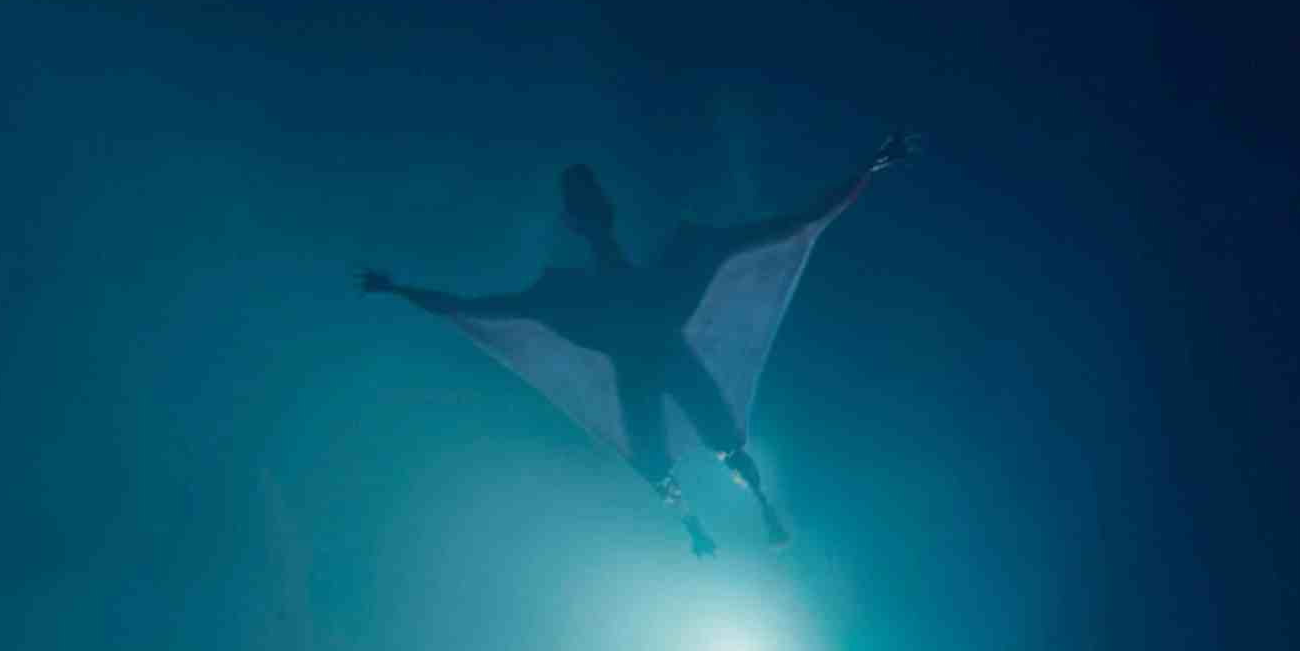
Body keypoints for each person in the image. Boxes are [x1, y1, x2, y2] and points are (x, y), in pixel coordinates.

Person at [360, 130, 920, 555]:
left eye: (591, 203)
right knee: (671, 457)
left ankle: (742, 513)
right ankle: (712, 522)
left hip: (659, 360)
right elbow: (474, 308)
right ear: (582, 220)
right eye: (584, 206)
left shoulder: (658, 270)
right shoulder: (582, 293)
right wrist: (400, 290)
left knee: (706, 446)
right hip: (651, 364)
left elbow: (795, 224)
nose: (591, 213)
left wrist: (866, 169)